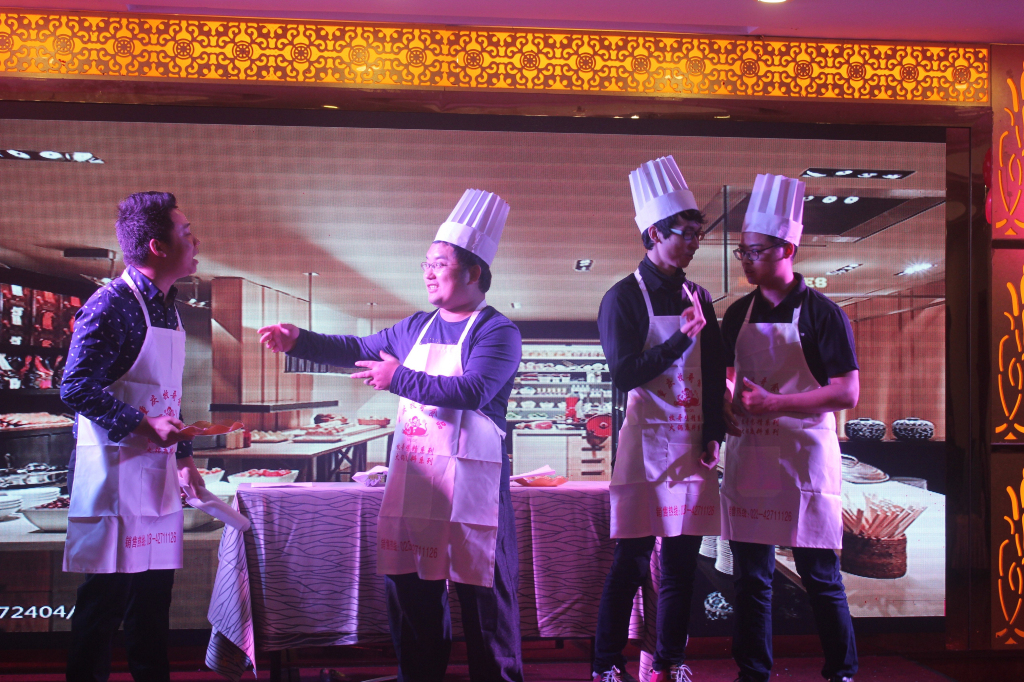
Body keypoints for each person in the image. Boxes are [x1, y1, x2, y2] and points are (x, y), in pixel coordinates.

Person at [259, 189, 523, 682]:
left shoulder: (497, 331)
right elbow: (357, 347)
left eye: (439, 264)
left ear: (473, 272)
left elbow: (474, 389)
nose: (428, 273)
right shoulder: (416, 327)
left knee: (485, 602)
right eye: (426, 264)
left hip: (474, 491)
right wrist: (300, 340)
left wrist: (397, 378)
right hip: (417, 483)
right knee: (413, 598)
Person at [720, 173, 859, 682]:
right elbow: (727, 374)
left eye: (754, 252)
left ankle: (841, 671)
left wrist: (775, 402)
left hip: (804, 458)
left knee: (820, 576)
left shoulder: (823, 313)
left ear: (786, 249)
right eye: (742, 252)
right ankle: (753, 672)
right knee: (751, 579)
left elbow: (846, 392)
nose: (746, 261)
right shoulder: (737, 313)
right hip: (752, 455)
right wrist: (728, 396)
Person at [593, 155, 727, 682]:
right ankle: (606, 664)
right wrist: (678, 341)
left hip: (691, 446)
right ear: (655, 233)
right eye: (686, 234)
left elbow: (712, 369)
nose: (695, 243)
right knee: (629, 564)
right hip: (644, 447)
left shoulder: (699, 296)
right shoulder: (622, 297)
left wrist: (713, 431)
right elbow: (625, 373)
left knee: (680, 567)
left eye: (698, 234)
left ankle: (670, 661)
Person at [61, 192, 205, 682]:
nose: (196, 242)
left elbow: (166, 395)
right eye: (186, 233)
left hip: (157, 469)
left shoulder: (169, 307)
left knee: (152, 604)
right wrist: (145, 426)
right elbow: (75, 387)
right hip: (113, 470)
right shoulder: (111, 303)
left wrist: (185, 458)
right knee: (104, 602)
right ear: (158, 246)